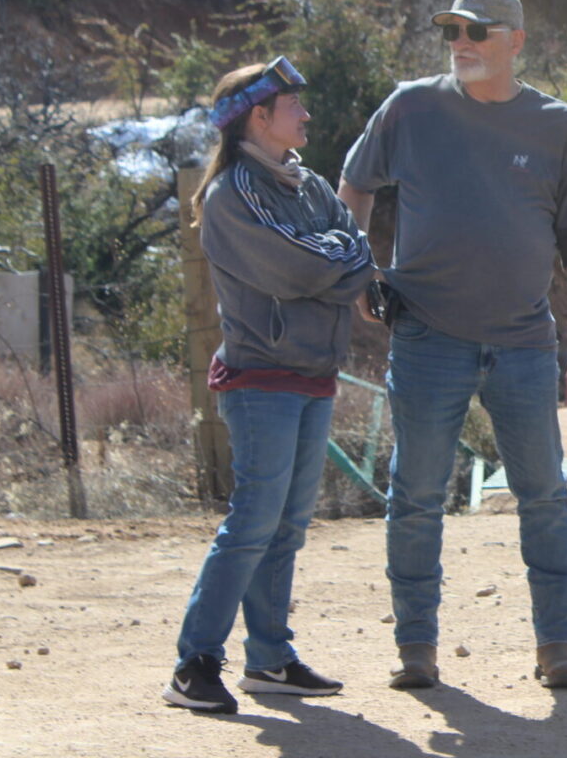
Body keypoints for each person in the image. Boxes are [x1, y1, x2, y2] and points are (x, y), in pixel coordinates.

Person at [337, 0, 567, 691]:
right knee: (417, 495)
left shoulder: (559, 125)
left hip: (523, 343)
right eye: (452, 30)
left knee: (543, 493)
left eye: (477, 31)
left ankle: (558, 646)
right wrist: (359, 266)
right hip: (427, 335)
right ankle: (417, 649)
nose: (461, 42)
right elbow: (355, 184)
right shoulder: (411, 106)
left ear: (516, 41)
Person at [164, 57, 373, 715]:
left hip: (312, 375)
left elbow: (354, 247)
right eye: (293, 104)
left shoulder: (307, 185)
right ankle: (194, 663)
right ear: (259, 116)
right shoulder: (231, 195)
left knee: (286, 525)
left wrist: (335, 259)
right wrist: (337, 260)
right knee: (254, 520)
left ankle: (270, 660)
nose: (306, 114)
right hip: (260, 379)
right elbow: (298, 266)